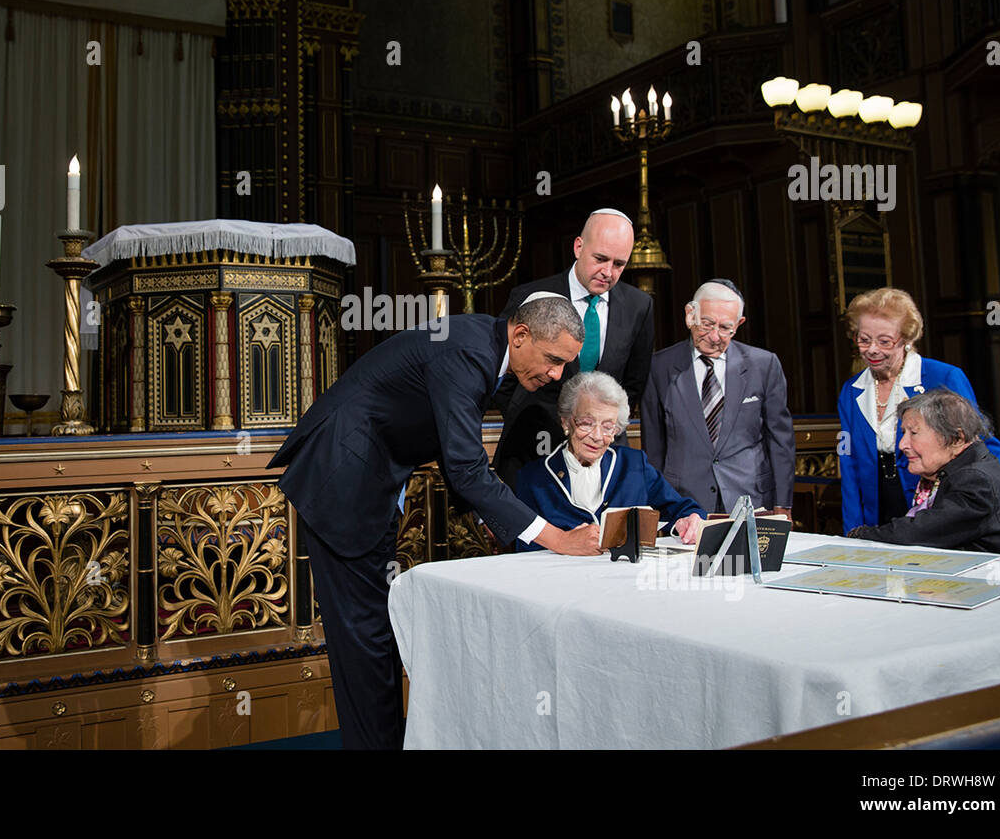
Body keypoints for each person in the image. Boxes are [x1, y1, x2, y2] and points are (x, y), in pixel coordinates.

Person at [267, 294, 602, 750]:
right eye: (553, 360)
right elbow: (466, 466)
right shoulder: (468, 354)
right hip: (342, 484)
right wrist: (557, 539)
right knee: (366, 642)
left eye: (565, 365)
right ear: (520, 335)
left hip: (367, 482)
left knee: (373, 637)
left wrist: (487, 516)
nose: (556, 375)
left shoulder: (482, 344)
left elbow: (450, 447)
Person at [836, 287, 1000, 535]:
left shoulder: (942, 377)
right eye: (864, 339)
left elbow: (985, 447)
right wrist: (853, 532)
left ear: (907, 339)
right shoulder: (851, 390)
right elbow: (849, 466)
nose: (872, 349)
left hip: (936, 513)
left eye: (885, 341)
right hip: (877, 515)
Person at [492, 208, 654, 487]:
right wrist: (535, 423)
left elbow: (634, 384)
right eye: (600, 259)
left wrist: (596, 430)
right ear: (579, 247)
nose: (608, 272)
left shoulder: (640, 305)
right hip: (532, 450)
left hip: (603, 454)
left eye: (619, 264)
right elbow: (504, 372)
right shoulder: (530, 296)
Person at [639, 279, 795, 513]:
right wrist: (656, 506)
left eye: (725, 328)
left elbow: (780, 440)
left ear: (739, 323)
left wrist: (783, 504)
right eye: (707, 324)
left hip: (751, 500)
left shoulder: (764, 365)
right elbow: (654, 446)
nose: (714, 336)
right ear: (690, 315)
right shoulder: (659, 368)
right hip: (685, 504)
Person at [514, 371, 705, 550]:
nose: (597, 436)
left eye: (608, 427)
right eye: (587, 423)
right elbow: (524, 546)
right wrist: (566, 543)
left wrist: (690, 520)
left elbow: (682, 509)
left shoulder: (634, 465)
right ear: (565, 421)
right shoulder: (534, 478)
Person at [848, 390, 1000, 554]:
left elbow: (919, 532)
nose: (902, 445)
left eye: (914, 433)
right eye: (903, 433)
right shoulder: (956, 470)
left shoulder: (975, 479)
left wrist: (860, 534)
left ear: (956, 439)